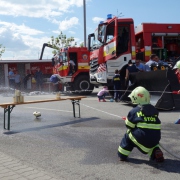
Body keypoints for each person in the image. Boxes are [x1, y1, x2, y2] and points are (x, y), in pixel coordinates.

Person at [117, 86, 164, 163]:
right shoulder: (154, 110)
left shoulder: (134, 111)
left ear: (135, 98)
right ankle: (155, 152)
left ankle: (122, 155)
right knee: (152, 144)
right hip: (155, 138)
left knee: (128, 134)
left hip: (142, 138)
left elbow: (129, 126)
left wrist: (127, 119)